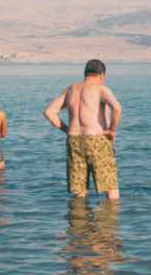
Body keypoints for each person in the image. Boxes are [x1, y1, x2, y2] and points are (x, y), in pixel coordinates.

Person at [43, 59, 121, 200]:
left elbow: (49, 112)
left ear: (85, 73)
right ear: (102, 75)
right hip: (96, 139)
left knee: (80, 191)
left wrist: (67, 130)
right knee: (111, 189)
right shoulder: (100, 89)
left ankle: (79, 221)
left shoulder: (71, 89)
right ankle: (107, 221)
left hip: (73, 140)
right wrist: (111, 129)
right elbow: (117, 108)